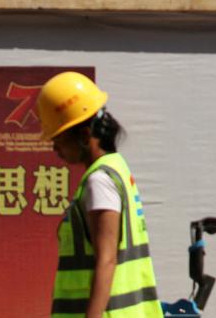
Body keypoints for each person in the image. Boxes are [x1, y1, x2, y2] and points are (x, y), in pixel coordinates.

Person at [38, 71, 163, 318]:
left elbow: (106, 260)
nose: (55, 148)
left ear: (84, 135)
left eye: (59, 139)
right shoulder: (117, 167)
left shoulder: (99, 182)